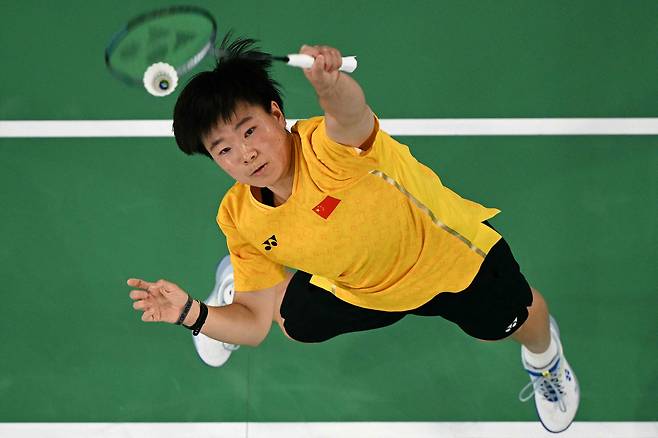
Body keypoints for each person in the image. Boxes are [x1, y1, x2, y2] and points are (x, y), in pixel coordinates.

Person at [127, 36, 579, 433]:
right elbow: (253, 325)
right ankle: (241, 279)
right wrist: (192, 313)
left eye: (250, 131)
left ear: (276, 113)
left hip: (450, 264)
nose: (245, 154)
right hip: (360, 288)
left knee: (517, 322)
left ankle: (546, 360)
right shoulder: (240, 215)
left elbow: (352, 115)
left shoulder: (329, 150)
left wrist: (331, 86)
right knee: (292, 323)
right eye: (223, 149)